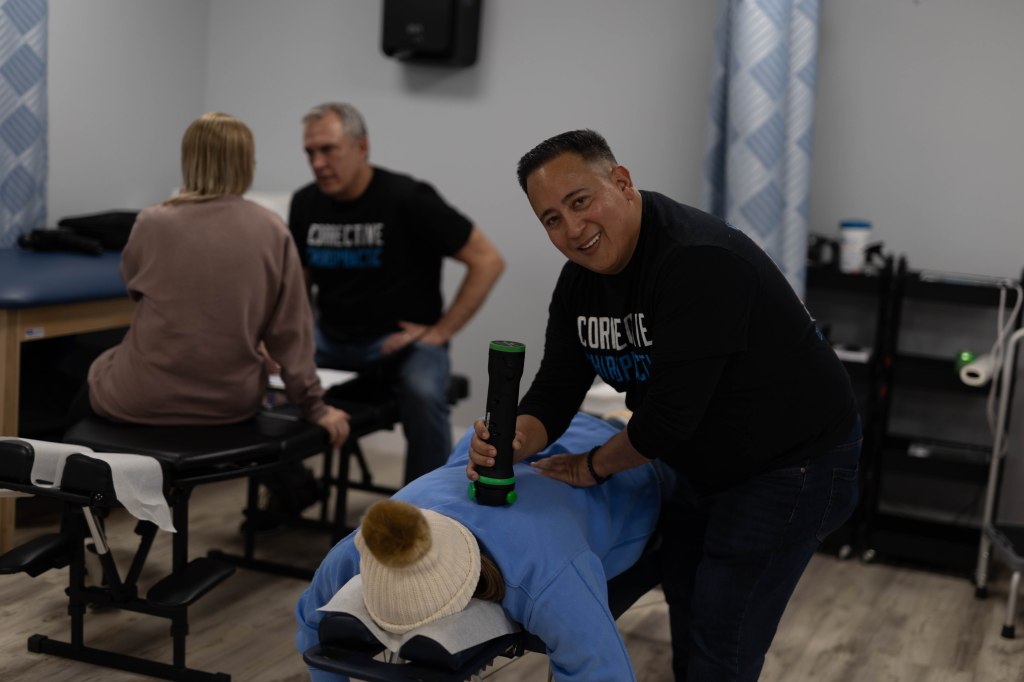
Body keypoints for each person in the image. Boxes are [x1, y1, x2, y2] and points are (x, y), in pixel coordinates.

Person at [466, 129, 862, 681]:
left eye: (580, 202)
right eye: (551, 219)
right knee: (688, 595)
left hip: (791, 463)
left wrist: (591, 466)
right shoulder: (580, 282)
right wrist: (517, 439)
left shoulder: (697, 260)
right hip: (702, 455)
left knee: (722, 639)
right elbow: (556, 387)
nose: (572, 229)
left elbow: (668, 421)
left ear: (622, 182)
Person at [296, 412, 675, 682]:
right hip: (522, 441)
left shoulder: (547, 572)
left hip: (624, 460)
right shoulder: (367, 544)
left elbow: (602, 671)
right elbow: (311, 615)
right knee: (479, 447)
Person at [83, 112, 349, 449]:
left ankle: (61, 478)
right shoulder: (272, 230)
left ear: (189, 161)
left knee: (91, 369)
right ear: (246, 164)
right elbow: (291, 337)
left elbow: (132, 286)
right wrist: (315, 407)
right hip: (230, 404)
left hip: (140, 398)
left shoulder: (152, 222)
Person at [289, 102, 504, 484]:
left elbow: (487, 260)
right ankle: (293, 489)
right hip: (331, 339)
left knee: (424, 392)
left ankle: (425, 507)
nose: (318, 163)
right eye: (310, 152)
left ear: (361, 147)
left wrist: (440, 331)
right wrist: (289, 339)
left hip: (401, 343)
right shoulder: (306, 202)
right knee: (259, 376)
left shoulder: (407, 197)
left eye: (328, 150)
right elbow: (298, 281)